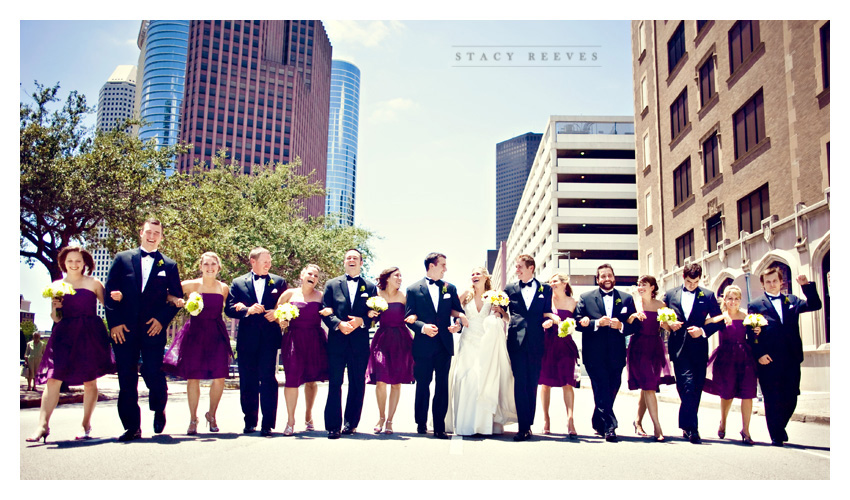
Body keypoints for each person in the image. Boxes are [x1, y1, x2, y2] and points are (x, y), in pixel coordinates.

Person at [27, 246, 116, 443]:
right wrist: (55, 309)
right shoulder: (57, 284)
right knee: (53, 379)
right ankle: (42, 425)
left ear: (84, 263)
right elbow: (55, 318)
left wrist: (117, 302)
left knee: (90, 381)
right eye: (70, 261)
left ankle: (86, 424)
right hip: (64, 334)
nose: (74, 264)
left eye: (78, 261)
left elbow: (109, 307)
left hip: (89, 334)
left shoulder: (94, 283)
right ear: (64, 263)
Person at [104, 219, 182, 441]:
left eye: (157, 233)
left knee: (152, 371)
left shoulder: (168, 265)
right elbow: (110, 291)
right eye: (149, 231)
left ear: (161, 236)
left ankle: (159, 407)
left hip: (152, 330)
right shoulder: (122, 259)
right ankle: (132, 427)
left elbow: (177, 298)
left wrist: (161, 320)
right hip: (124, 329)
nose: (152, 236)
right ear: (141, 233)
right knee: (126, 378)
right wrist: (115, 323)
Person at [748, 267, 821, 446]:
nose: (772, 284)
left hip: (791, 357)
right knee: (771, 397)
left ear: (781, 282)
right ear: (763, 284)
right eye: (768, 282)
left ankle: (779, 426)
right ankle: (776, 435)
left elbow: (815, 305)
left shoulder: (792, 300)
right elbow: (751, 333)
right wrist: (759, 354)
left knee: (791, 396)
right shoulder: (756, 305)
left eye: (775, 281)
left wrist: (806, 286)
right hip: (768, 359)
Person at [162, 252, 232, 435]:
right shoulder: (190, 285)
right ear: (200, 266)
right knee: (193, 377)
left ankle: (212, 414)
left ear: (218, 267)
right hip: (195, 334)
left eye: (213, 264)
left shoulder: (223, 288)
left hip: (216, 334)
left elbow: (230, 308)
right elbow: (166, 294)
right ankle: (193, 418)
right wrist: (176, 300)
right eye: (206, 264)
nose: (210, 267)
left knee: (219, 377)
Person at [445, 267, 516, 436]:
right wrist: (458, 322)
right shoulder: (465, 294)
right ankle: (466, 424)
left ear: (486, 277)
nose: (474, 276)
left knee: (483, 381)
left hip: (486, 343)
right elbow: (452, 311)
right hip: (467, 342)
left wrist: (500, 312)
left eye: (478, 273)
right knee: (465, 379)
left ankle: (483, 425)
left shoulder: (494, 296)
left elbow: (506, 318)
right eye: (472, 274)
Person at [225, 247, 287, 437]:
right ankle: (250, 421)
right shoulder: (237, 283)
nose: (268, 264)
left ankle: (267, 424)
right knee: (248, 381)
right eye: (264, 261)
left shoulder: (279, 282)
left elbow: (287, 308)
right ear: (253, 261)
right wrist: (247, 310)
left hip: (269, 340)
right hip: (246, 340)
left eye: (270, 261)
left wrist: (277, 314)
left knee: (268, 380)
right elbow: (229, 309)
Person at [405, 252, 466, 439]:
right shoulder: (413, 289)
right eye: (443, 265)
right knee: (423, 385)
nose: (446, 269)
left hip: (444, 345)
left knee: (442, 386)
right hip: (423, 345)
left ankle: (439, 426)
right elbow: (408, 318)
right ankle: (421, 422)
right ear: (432, 266)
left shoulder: (450, 288)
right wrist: (423, 328)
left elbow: (458, 311)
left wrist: (458, 324)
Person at [661, 262, 723, 444]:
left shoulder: (708, 296)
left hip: (699, 348)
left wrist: (703, 331)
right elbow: (662, 319)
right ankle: (693, 429)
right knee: (686, 386)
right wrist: (668, 325)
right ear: (683, 278)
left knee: (695, 388)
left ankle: (687, 426)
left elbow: (718, 320)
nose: (692, 285)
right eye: (689, 282)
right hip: (678, 348)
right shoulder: (671, 294)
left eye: (695, 282)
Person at [575, 263, 637, 443]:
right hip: (594, 354)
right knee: (601, 388)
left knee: (612, 388)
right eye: (603, 276)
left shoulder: (626, 299)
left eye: (609, 275)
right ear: (597, 279)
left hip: (617, 354)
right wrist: (595, 323)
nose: (606, 279)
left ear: (614, 277)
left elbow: (634, 325)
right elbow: (577, 322)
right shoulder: (585, 298)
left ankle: (598, 420)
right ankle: (611, 427)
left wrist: (622, 326)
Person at [321, 249, 378, 439]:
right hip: (337, 341)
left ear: (361, 262)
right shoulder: (331, 284)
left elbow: (375, 314)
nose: (351, 260)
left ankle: (351, 424)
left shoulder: (370, 287)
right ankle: (333, 426)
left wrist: (362, 321)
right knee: (335, 383)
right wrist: (339, 324)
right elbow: (325, 310)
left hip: (359, 342)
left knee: (357, 384)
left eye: (355, 258)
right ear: (344, 262)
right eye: (348, 258)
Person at [505, 255, 556, 442]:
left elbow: (547, 312)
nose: (516, 269)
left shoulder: (546, 289)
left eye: (519, 267)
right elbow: (502, 310)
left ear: (531, 268)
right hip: (516, 341)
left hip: (537, 341)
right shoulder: (509, 288)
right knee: (520, 383)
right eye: (516, 267)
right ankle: (522, 427)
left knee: (532, 383)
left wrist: (550, 321)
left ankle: (528, 424)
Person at [275, 264, 329, 436]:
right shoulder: (289, 294)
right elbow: (277, 312)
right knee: (292, 379)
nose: (313, 276)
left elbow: (330, 312)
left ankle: (308, 414)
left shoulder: (321, 296)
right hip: (293, 340)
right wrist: (281, 321)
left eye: (316, 275)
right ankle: (290, 420)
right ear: (302, 275)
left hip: (315, 340)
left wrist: (330, 310)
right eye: (310, 273)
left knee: (311, 380)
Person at [703, 285, 758, 445]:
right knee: (726, 394)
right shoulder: (720, 316)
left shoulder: (747, 317)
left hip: (745, 358)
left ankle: (746, 430)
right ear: (725, 300)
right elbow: (705, 323)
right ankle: (723, 421)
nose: (733, 301)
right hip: (726, 359)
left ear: (740, 300)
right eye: (730, 298)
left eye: (736, 299)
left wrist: (757, 333)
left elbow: (754, 339)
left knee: (748, 394)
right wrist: (721, 318)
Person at [365, 267, 415, 435]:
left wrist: (414, 317)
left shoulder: (404, 297)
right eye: (396, 276)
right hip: (382, 338)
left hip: (401, 340)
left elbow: (412, 314)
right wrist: (370, 313)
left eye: (401, 275)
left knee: (396, 382)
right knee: (381, 380)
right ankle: (380, 416)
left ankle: (390, 420)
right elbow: (369, 315)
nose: (400, 278)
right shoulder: (377, 295)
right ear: (387, 278)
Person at [625, 275, 675, 442]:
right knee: (649, 386)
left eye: (644, 284)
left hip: (655, 347)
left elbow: (666, 327)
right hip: (638, 348)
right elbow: (627, 325)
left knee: (648, 386)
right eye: (639, 284)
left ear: (652, 287)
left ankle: (637, 422)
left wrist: (668, 323)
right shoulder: (634, 304)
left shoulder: (661, 305)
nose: (640, 287)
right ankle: (657, 426)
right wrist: (632, 317)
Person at [539, 272, 580, 438]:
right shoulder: (546, 301)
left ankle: (570, 419)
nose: (552, 284)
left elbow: (577, 322)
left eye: (555, 281)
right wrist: (546, 321)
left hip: (566, 345)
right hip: (547, 344)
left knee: (567, 383)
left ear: (564, 283)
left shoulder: (574, 302)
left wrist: (571, 324)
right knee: (545, 384)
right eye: (550, 281)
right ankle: (546, 419)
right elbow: (538, 319)